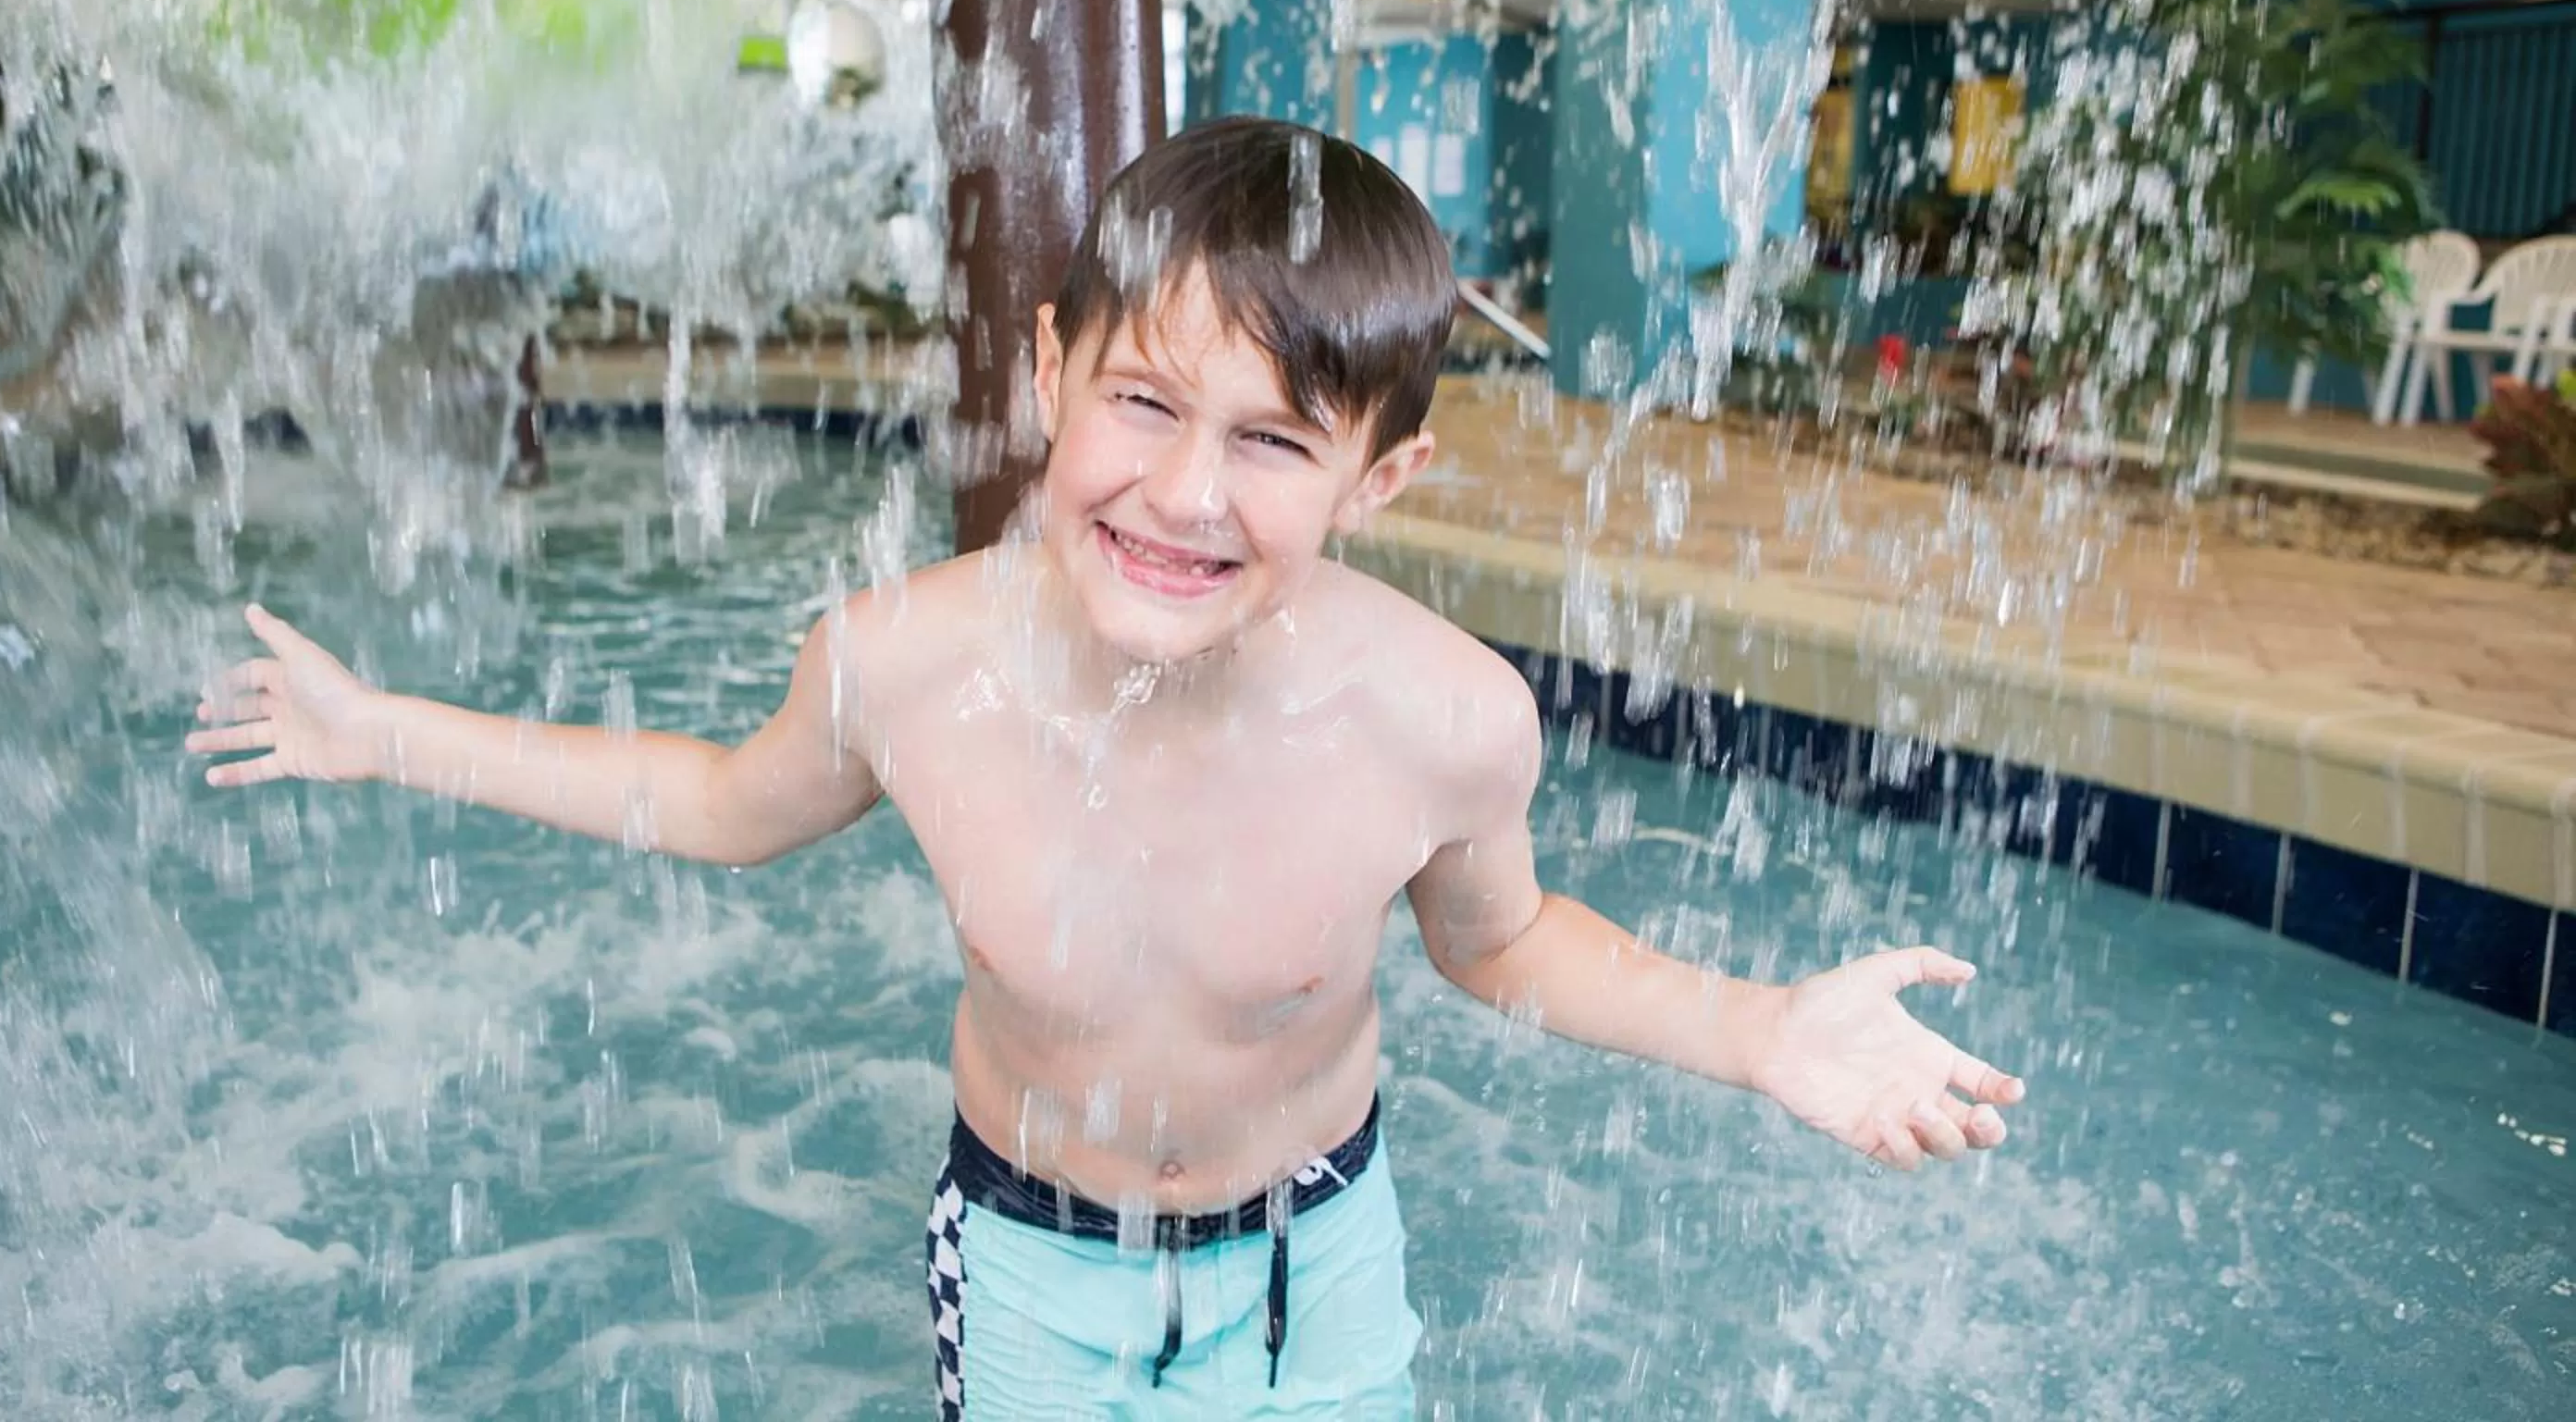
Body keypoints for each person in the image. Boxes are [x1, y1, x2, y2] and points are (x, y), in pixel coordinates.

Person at [189, 117, 2025, 1419]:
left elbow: (1506, 947)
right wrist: (388, 733)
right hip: (1038, 1274)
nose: (1184, 494)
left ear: (1381, 478)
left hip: (1322, 1265)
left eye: (1274, 442)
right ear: (1051, 373)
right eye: (1143, 402)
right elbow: (715, 808)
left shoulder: (1442, 716)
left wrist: (1760, 1027)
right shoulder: (903, 666)